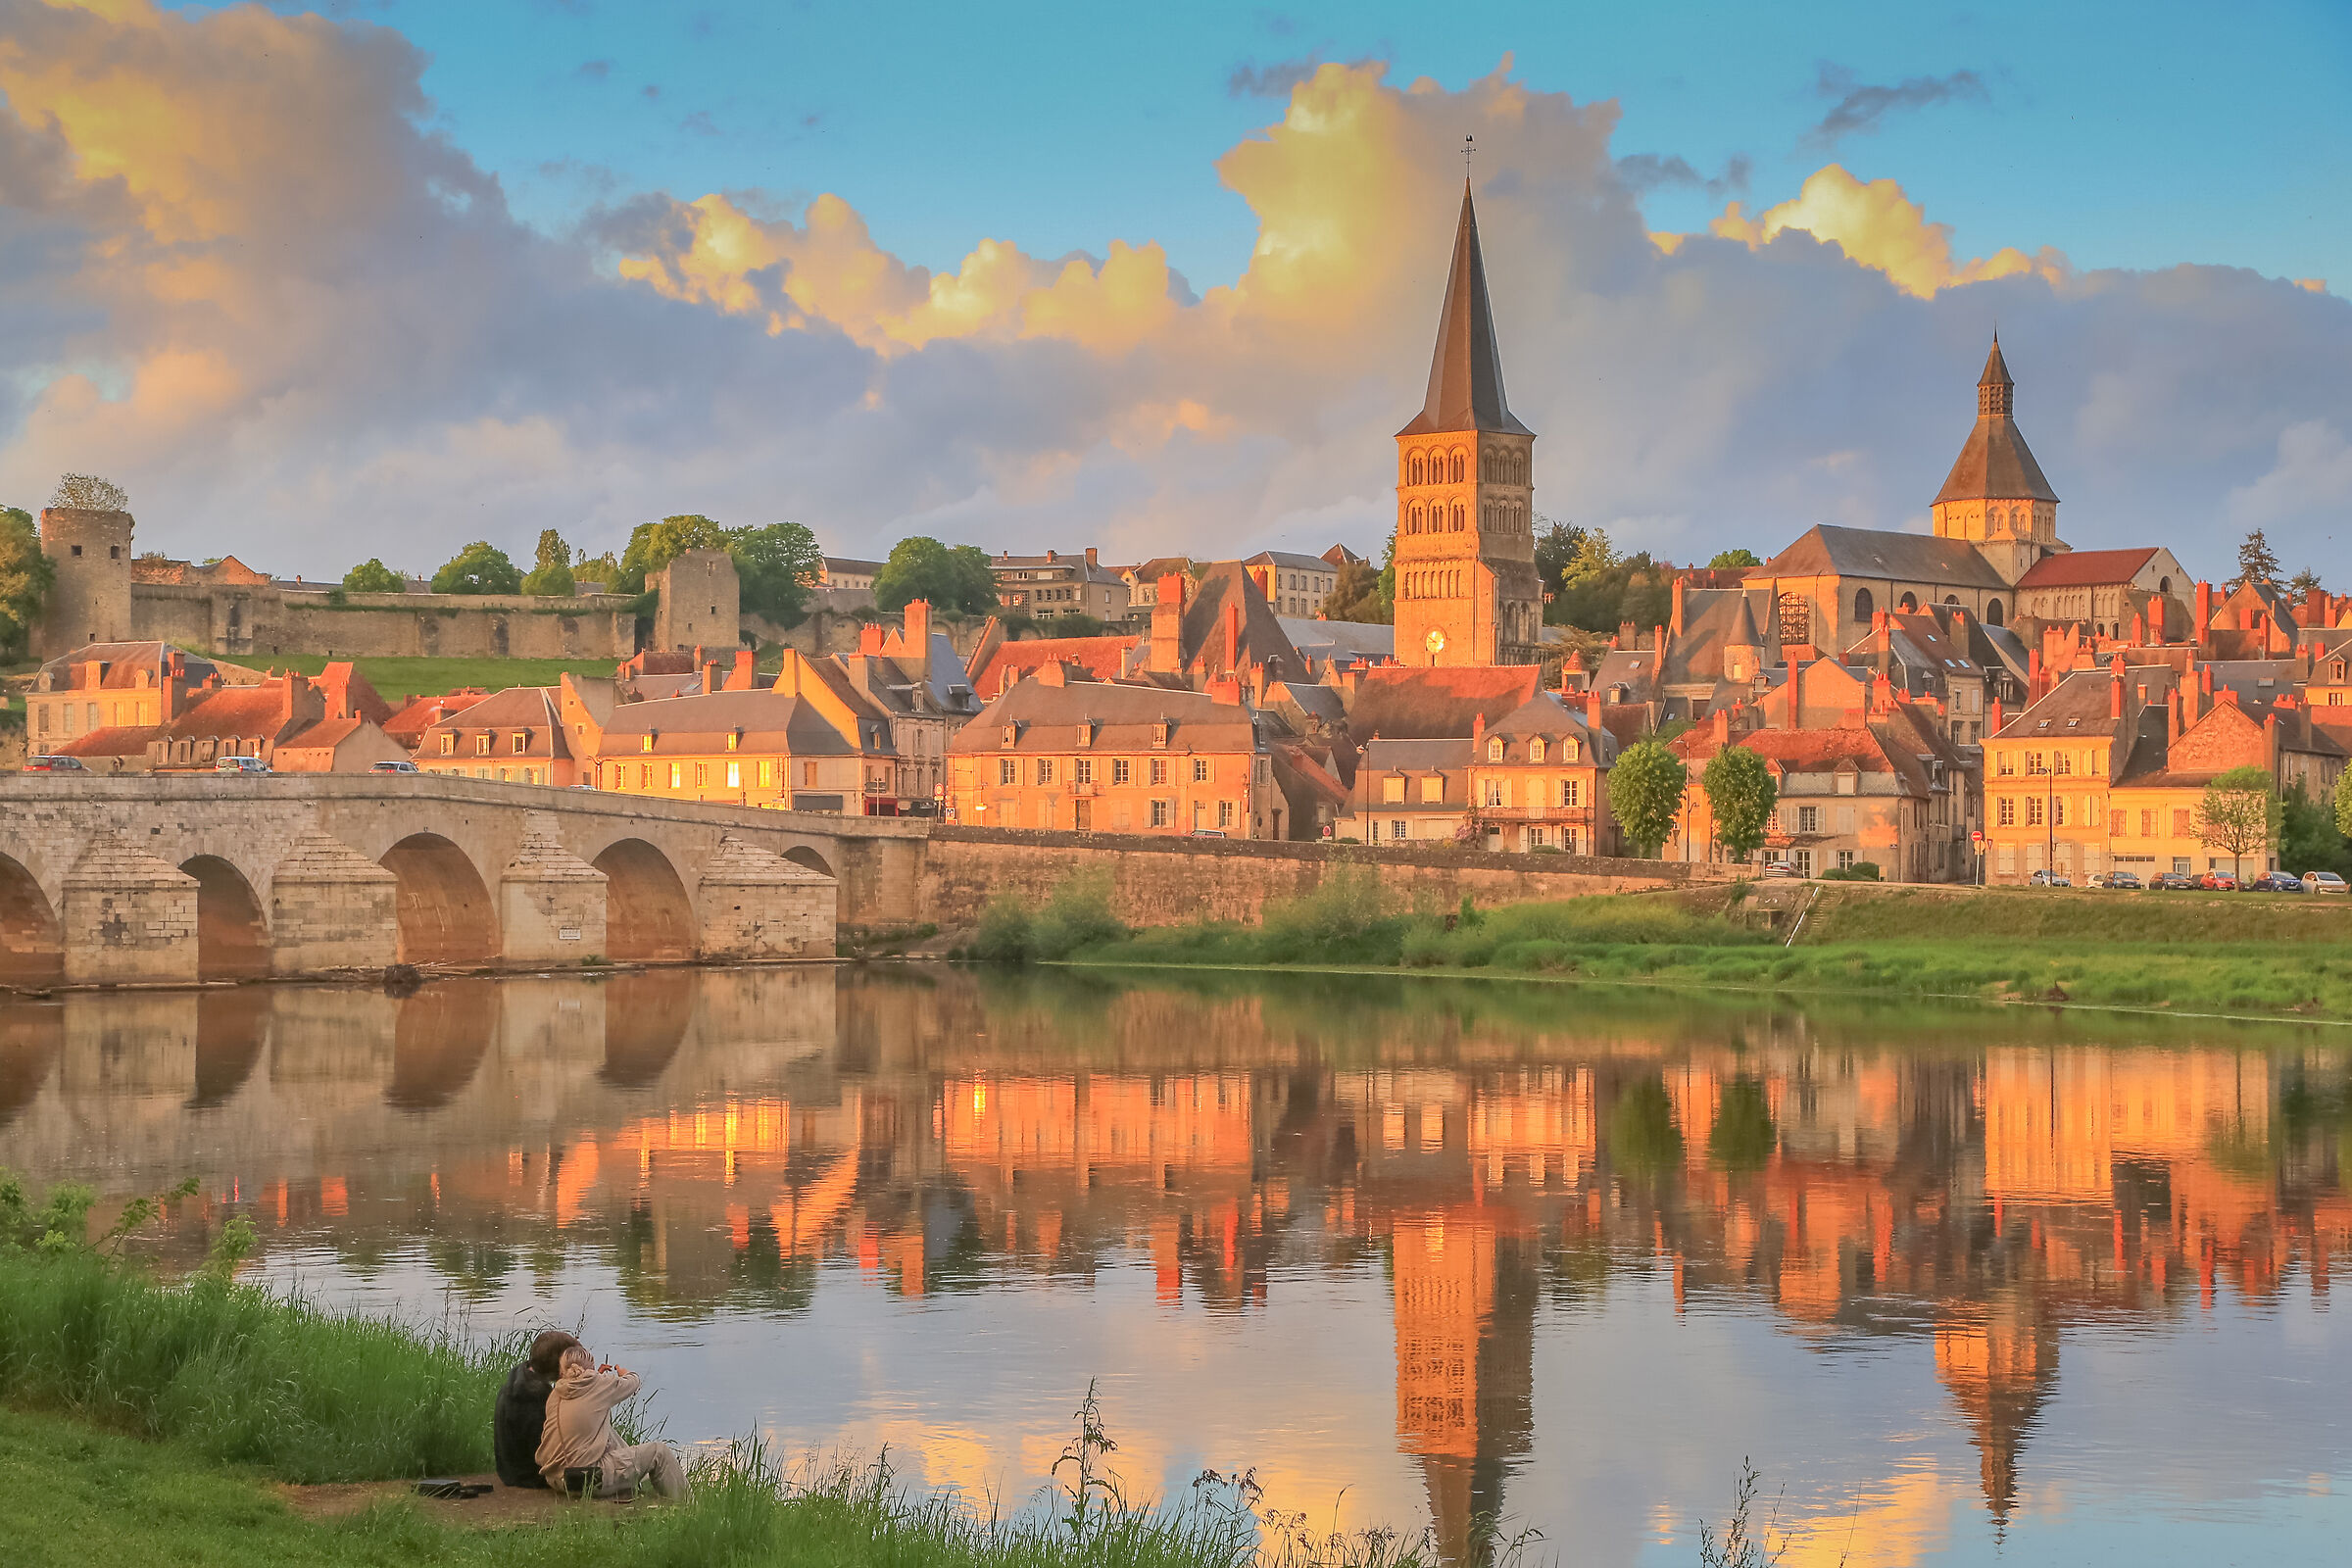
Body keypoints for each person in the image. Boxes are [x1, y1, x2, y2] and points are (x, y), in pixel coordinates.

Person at [535, 1343, 691, 1501]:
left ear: (561, 1371)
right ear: (591, 1368)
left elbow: (585, 1397)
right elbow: (633, 1382)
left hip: (555, 1479)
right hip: (587, 1480)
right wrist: (625, 1373)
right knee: (660, 1451)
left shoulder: (555, 1394)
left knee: (605, 1429)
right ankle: (689, 1507)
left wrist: (595, 1377)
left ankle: (638, 1482)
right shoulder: (599, 1385)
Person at [492, 1330, 579, 1489]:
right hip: (530, 1476)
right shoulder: (536, 1398)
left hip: (510, 1472)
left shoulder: (520, 1378)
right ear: (560, 1363)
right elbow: (547, 1448)